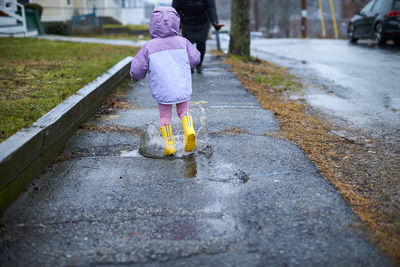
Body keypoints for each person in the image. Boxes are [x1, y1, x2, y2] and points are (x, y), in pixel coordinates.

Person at [130, 6, 200, 156]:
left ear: (153, 24)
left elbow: (138, 68)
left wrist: (135, 76)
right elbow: (195, 58)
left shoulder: (149, 47)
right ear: (176, 22)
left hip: (163, 87)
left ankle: (169, 144)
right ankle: (189, 131)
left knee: (165, 116)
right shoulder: (183, 42)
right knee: (184, 111)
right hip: (181, 84)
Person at [172, 0, 224, 73]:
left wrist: (214, 22)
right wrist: (176, 24)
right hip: (186, 22)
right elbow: (175, 9)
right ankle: (191, 64)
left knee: (201, 42)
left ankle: (199, 64)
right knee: (188, 44)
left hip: (203, 22)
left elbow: (211, 8)